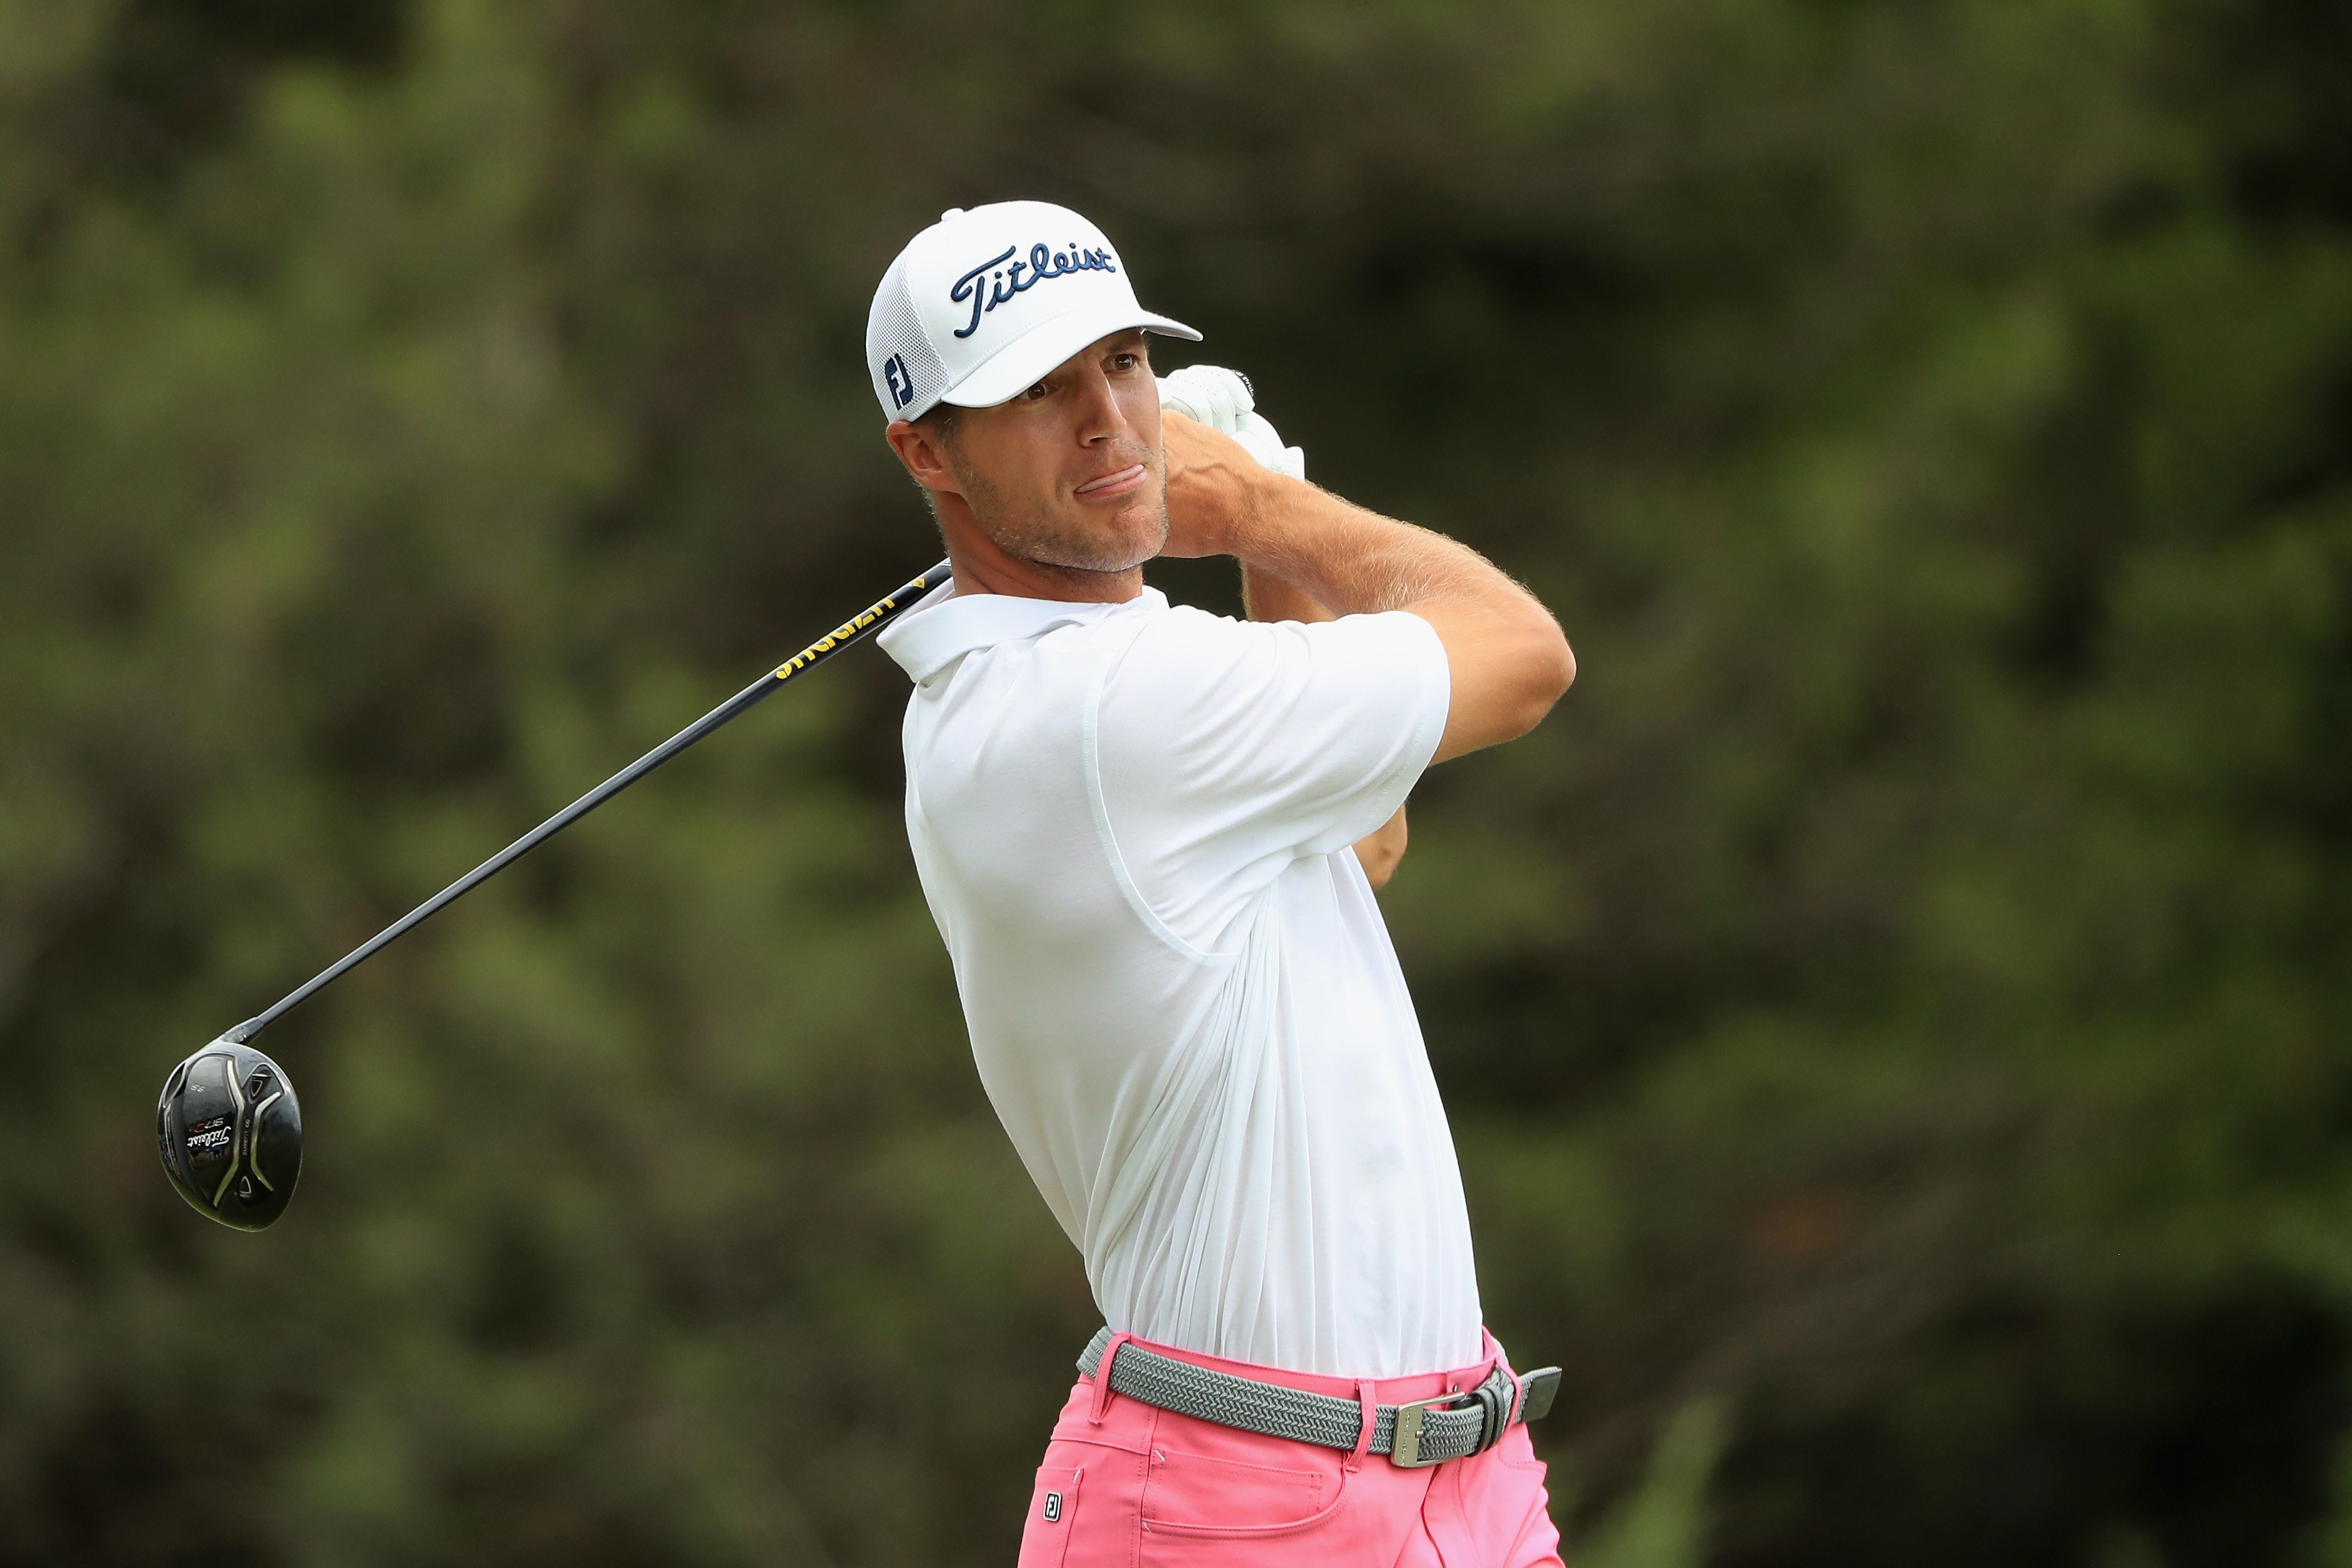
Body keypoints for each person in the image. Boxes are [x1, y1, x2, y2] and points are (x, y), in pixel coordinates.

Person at [867, 200, 1576, 1567]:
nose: (1107, 421)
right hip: (1233, 1505)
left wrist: (1265, 552)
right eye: (1038, 389)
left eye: (1123, 363)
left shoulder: (1104, 687)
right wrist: (1258, 504)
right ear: (927, 450)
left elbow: (1361, 844)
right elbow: (1525, 654)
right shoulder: (1097, 710)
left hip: (1464, 1480)